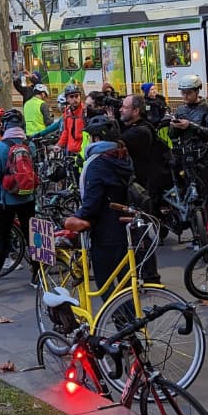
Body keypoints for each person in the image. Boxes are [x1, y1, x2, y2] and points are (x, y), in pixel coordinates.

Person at [62, 116, 135, 293]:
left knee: (105, 283)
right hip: (126, 225)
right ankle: (132, 319)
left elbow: (92, 201)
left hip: (105, 229)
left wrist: (79, 217)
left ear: (97, 138)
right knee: (126, 284)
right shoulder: (123, 155)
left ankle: (121, 319)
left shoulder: (97, 163)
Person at [0, 116, 38, 295]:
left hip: (7, 200)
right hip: (28, 198)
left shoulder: (0, 146)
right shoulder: (29, 145)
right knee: (31, 238)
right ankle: (37, 277)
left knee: (2, 239)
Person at [168, 74, 208, 233]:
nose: (184, 96)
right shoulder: (180, 109)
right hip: (186, 156)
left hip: (205, 156)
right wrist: (174, 127)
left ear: (197, 91)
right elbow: (172, 135)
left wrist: (190, 126)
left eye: (188, 93)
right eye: (182, 93)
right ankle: (193, 225)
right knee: (185, 190)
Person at [53, 84, 86, 155]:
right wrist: (59, 144)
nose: (75, 99)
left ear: (80, 97)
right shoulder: (67, 112)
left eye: (77, 96)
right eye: (71, 96)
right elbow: (66, 131)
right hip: (70, 150)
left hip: (82, 151)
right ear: (67, 99)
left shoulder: (85, 111)